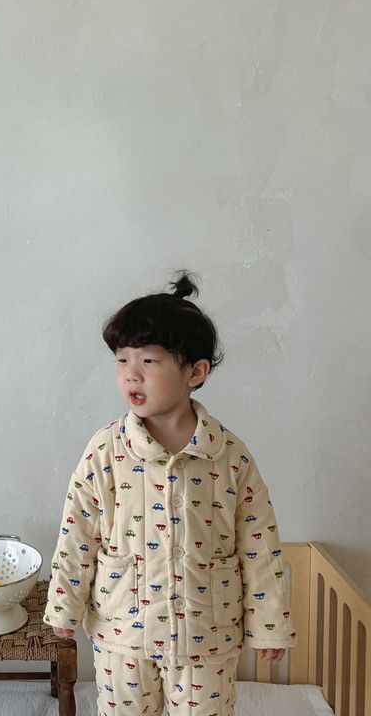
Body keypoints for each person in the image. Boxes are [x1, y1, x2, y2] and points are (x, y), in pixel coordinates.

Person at [43, 271, 297, 716]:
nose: (131, 374)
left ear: (195, 372)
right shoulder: (105, 451)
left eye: (149, 361)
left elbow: (259, 544)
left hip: (207, 633)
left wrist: (270, 624)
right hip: (123, 631)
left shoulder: (229, 455)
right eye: (122, 361)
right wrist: (64, 607)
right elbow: (77, 534)